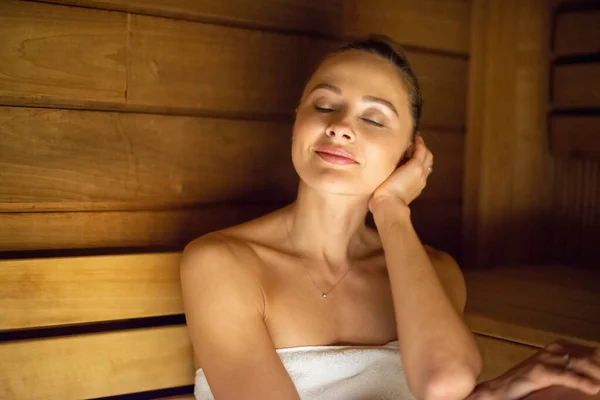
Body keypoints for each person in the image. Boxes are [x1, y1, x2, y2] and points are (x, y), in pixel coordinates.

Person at [180, 35, 600, 400]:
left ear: (408, 154)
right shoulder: (221, 263)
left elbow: (445, 381)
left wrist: (392, 211)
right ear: (297, 121)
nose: (341, 127)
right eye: (324, 105)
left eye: (373, 118)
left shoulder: (434, 271)